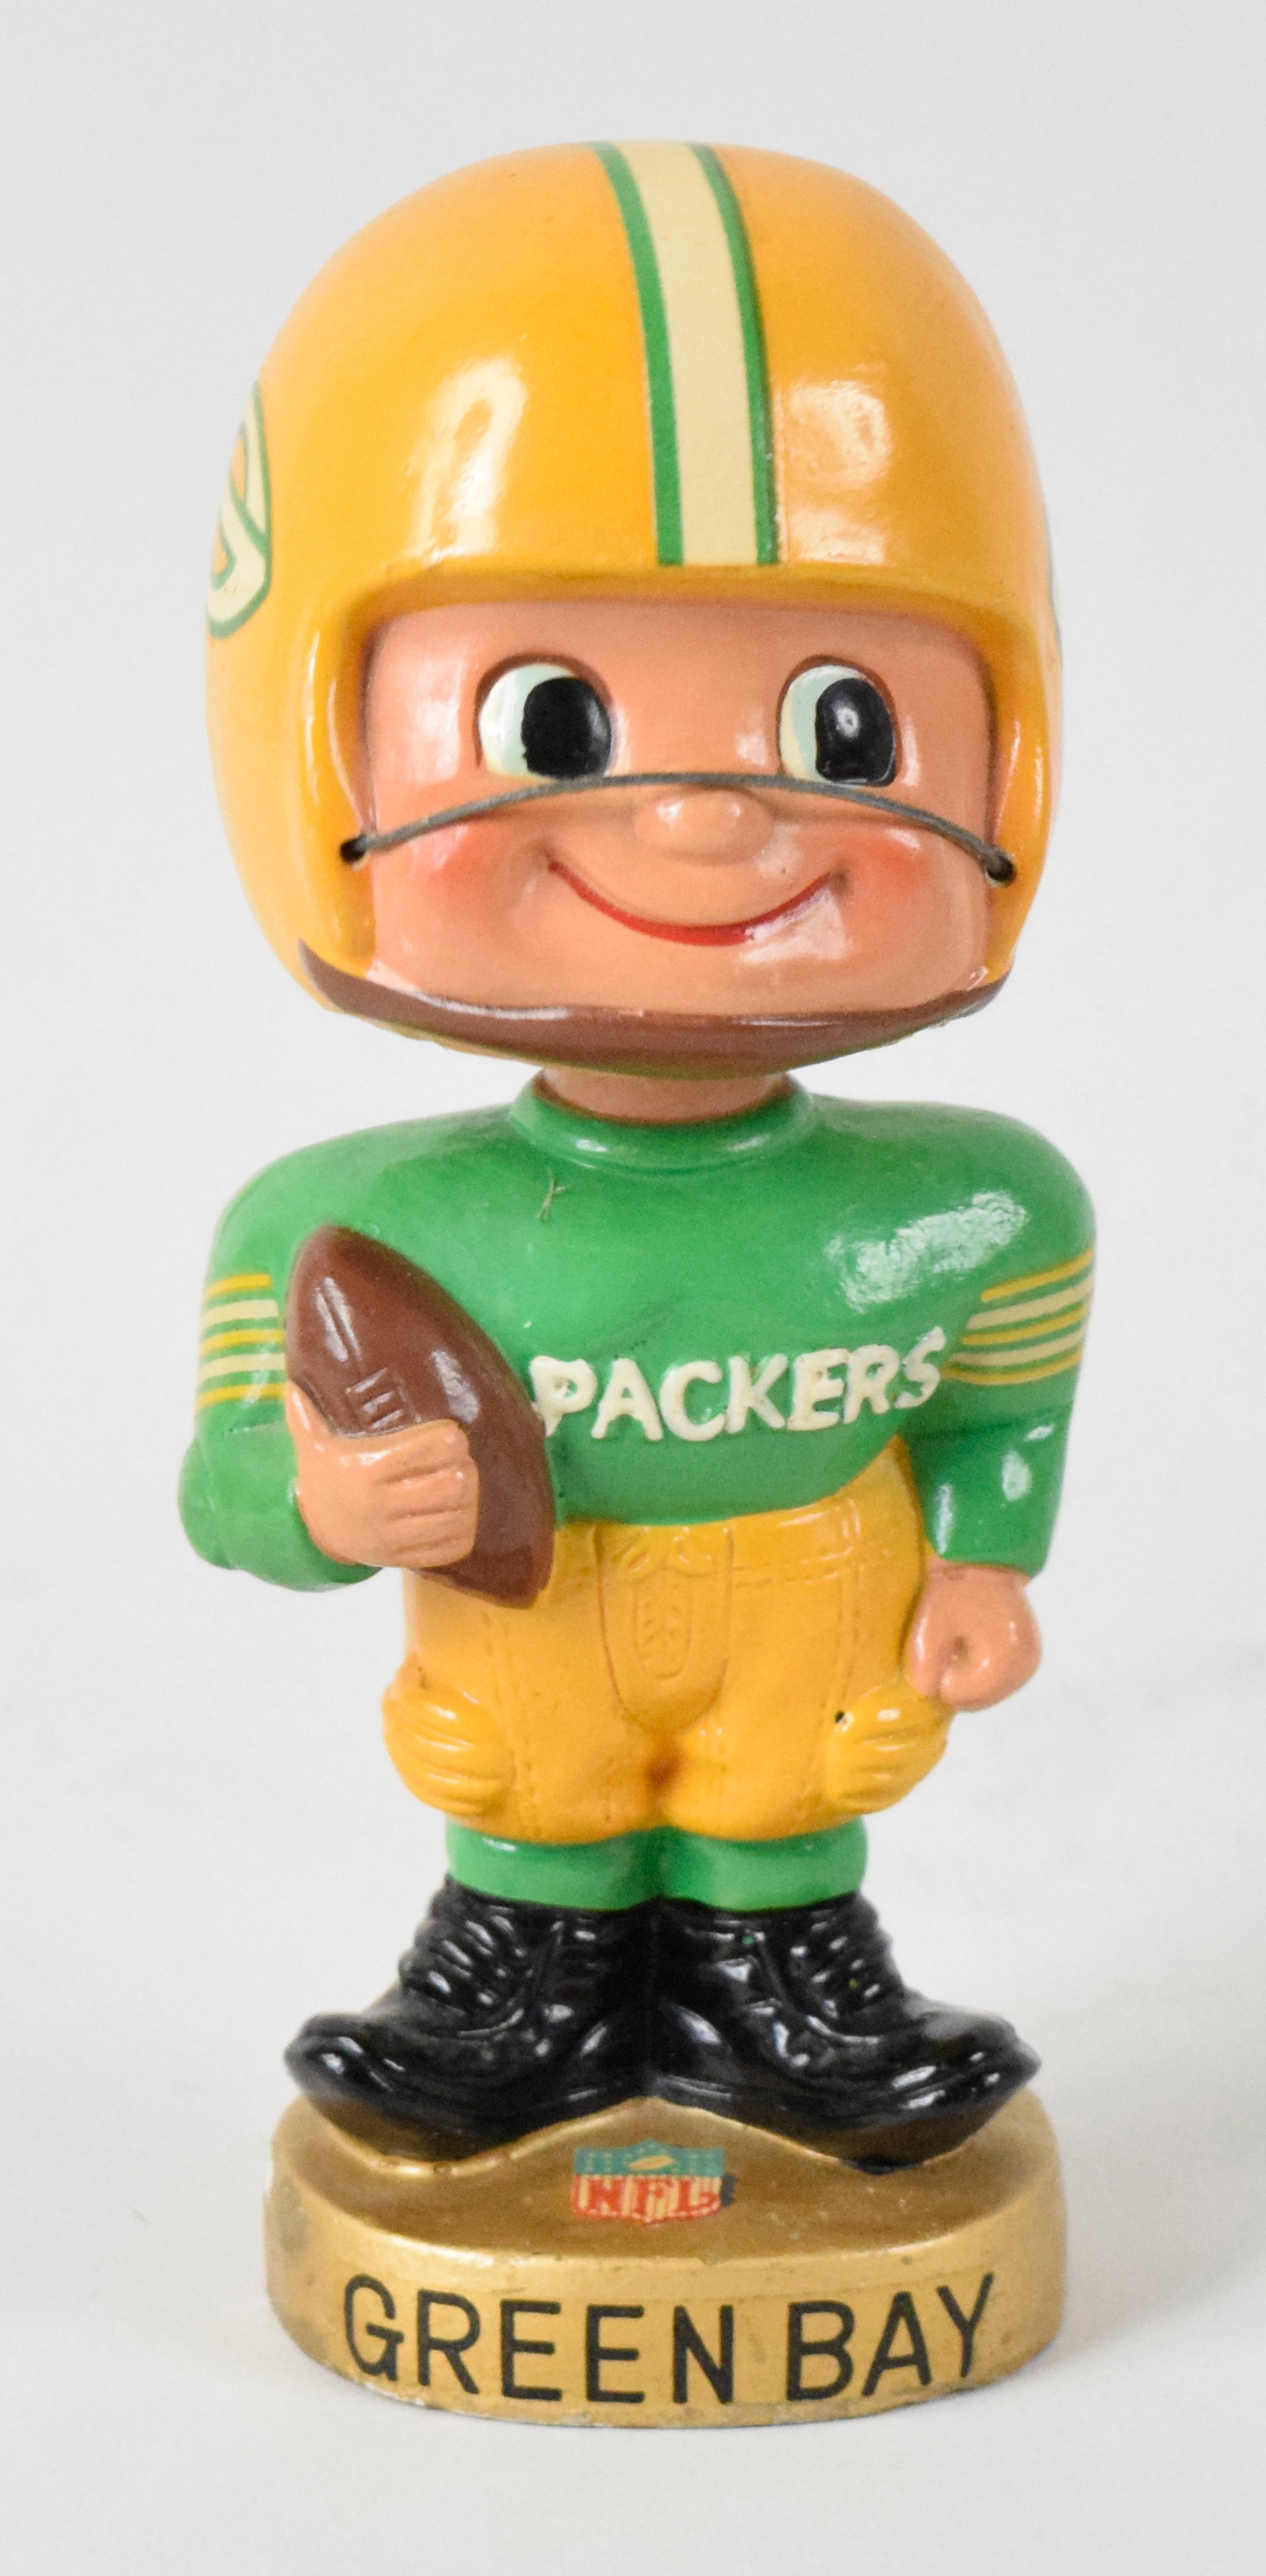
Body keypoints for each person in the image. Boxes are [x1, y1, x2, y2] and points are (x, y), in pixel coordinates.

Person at [183, 143, 1091, 2168]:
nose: (706, 821)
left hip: (812, 1595)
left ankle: (788, 1979)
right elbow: (229, 1488)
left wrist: (985, 1553)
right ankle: (511, 1968)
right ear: (316, 733)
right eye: (556, 721)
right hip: (522, 1632)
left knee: (793, 1778)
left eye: (846, 726)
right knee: (530, 1775)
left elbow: (1005, 1385)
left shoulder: (979, 1210)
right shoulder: (342, 1227)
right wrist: (326, 1492)